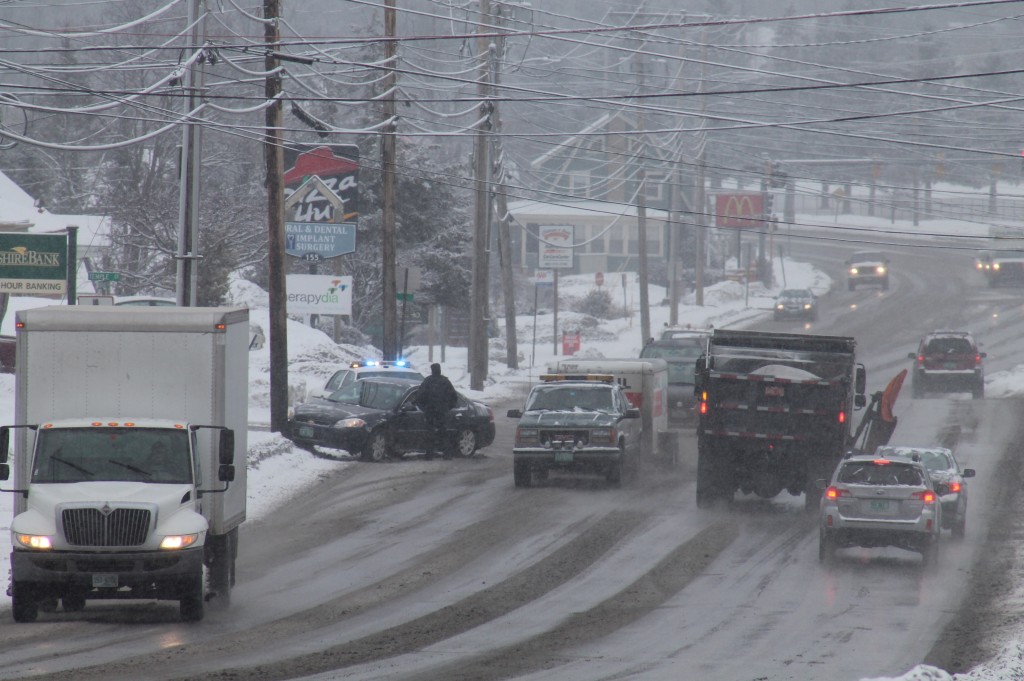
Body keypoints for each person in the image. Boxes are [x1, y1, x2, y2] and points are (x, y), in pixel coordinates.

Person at [415, 363, 458, 459]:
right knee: (443, 432)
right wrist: (447, 407)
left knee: (430, 432)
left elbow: (419, 397)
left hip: (430, 412)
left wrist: (424, 408)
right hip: (442, 412)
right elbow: (454, 397)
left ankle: (430, 454)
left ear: (432, 370)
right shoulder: (445, 381)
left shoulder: (428, 381)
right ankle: (446, 454)